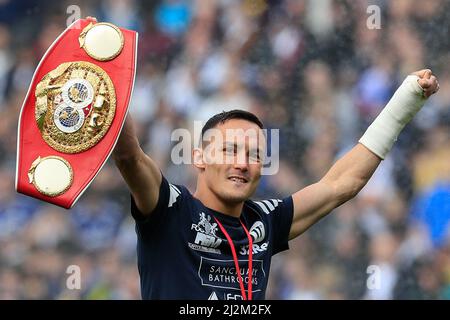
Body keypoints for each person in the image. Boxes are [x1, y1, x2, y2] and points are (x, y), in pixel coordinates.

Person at [113, 69, 439, 300]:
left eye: (254, 154)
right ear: (199, 158)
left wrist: (404, 104)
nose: (242, 163)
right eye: (229, 150)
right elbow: (130, 157)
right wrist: (104, 70)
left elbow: (342, 182)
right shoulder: (171, 208)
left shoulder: (265, 219)